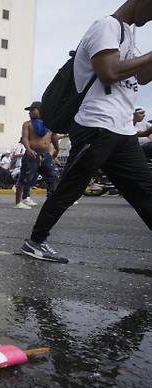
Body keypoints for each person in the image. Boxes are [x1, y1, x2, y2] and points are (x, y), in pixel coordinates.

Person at [22, 0, 152, 263]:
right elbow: (109, 72)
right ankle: (35, 241)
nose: (150, 19)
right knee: (70, 187)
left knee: (145, 190)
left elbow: (142, 78)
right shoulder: (105, 26)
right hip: (96, 126)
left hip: (122, 129)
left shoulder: (129, 33)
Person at [14, 102, 59, 210]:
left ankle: (52, 200)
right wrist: (28, 149)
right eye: (29, 111)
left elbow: (54, 138)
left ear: (41, 110)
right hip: (32, 154)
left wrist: (56, 150)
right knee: (25, 178)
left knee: (53, 177)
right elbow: (25, 138)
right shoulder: (27, 124)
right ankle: (18, 202)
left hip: (46, 156)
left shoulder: (50, 124)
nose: (30, 112)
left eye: (32, 110)